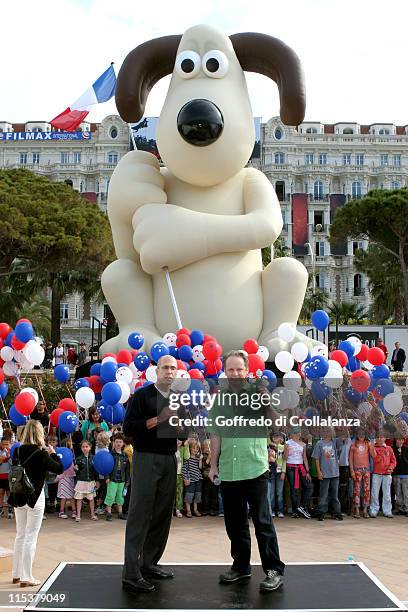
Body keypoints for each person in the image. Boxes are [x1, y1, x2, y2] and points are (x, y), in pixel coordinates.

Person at [208, 350, 285, 593]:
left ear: (247, 370)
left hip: (255, 467)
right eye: (230, 369)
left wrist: (266, 401)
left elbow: (276, 425)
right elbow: (216, 434)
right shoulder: (219, 401)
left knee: (262, 521)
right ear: (225, 372)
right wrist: (212, 464)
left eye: (239, 369)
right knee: (235, 523)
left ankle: (273, 570)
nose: (235, 373)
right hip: (229, 470)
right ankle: (241, 566)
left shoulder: (259, 394)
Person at [122, 354, 178, 593]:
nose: (169, 372)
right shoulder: (142, 396)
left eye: (173, 368)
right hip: (146, 458)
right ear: (156, 371)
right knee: (140, 514)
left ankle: (149, 563)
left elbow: (181, 432)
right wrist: (158, 419)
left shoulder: (178, 398)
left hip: (169, 459)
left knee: (163, 514)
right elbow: (128, 429)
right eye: (165, 367)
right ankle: (131, 573)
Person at [8, 420, 63, 587]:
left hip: (18, 495)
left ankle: (16, 574)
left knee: (20, 535)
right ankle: (27, 576)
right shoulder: (41, 453)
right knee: (30, 537)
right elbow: (58, 468)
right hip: (35, 497)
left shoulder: (17, 450)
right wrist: (53, 453)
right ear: (39, 434)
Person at [312, 427, 343, 521]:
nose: (326, 433)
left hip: (335, 473)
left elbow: (344, 437)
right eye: (325, 431)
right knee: (323, 495)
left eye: (329, 431)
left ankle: (336, 512)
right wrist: (319, 472)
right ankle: (321, 512)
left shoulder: (335, 442)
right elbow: (316, 459)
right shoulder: (319, 443)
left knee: (335, 495)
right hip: (324, 473)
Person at [284, 428, 313, 519]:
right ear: (292, 434)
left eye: (298, 432)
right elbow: (284, 458)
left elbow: (304, 458)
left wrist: (307, 471)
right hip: (291, 467)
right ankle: (295, 510)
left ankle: (302, 506)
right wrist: (287, 451)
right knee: (294, 489)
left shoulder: (303, 444)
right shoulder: (287, 443)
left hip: (300, 466)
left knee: (309, 486)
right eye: (295, 432)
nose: (297, 434)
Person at [349, 428, 376, 519]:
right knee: (357, 490)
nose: (361, 435)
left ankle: (365, 509)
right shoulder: (353, 445)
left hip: (366, 470)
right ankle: (357, 509)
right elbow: (350, 459)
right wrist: (352, 471)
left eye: (363, 434)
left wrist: (372, 447)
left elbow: (374, 455)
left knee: (366, 490)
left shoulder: (367, 444)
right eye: (359, 434)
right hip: (357, 470)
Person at [369, 431, 397, 518]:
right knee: (374, 493)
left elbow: (394, 461)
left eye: (382, 437)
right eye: (378, 437)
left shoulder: (389, 448)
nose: (380, 438)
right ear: (375, 439)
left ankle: (387, 511)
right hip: (377, 473)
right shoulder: (373, 448)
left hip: (387, 474)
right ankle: (373, 510)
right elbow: (376, 459)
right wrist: (375, 448)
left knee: (387, 493)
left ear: (385, 438)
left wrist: (391, 468)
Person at [104, 433, 130, 521]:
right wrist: (107, 477)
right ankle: (109, 513)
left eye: (120, 442)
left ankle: (120, 513)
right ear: (114, 443)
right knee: (110, 495)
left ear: (123, 443)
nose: (119, 444)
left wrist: (127, 480)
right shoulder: (110, 454)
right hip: (112, 479)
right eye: (117, 442)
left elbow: (127, 470)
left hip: (121, 480)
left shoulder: (125, 455)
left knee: (120, 496)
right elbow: (106, 467)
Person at [73, 439, 99, 522]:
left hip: (91, 481)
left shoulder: (94, 458)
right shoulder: (78, 459)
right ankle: (78, 515)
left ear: (90, 447)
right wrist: (76, 469)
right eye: (83, 447)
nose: (85, 448)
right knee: (79, 499)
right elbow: (77, 472)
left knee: (91, 499)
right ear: (81, 448)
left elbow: (96, 471)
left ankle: (92, 514)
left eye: (86, 446)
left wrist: (97, 481)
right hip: (81, 481)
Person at [182, 439, 203, 517]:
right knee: (189, 495)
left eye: (197, 448)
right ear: (190, 448)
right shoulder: (187, 458)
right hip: (190, 480)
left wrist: (200, 459)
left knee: (197, 495)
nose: (195, 450)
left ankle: (195, 509)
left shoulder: (198, 458)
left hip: (198, 479)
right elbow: (184, 469)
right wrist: (186, 478)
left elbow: (200, 467)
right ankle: (188, 510)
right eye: (193, 448)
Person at [268, 432, 286, 518]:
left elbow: (285, 460)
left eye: (279, 437)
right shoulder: (268, 447)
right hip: (271, 472)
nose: (277, 439)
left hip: (280, 473)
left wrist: (283, 471)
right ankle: (272, 510)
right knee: (271, 493)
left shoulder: (283, 447)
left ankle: (280, 510)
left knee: (279, 492)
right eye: (275, 437)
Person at [200, 438, 218, 517]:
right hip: (206, 478)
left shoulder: (216, 455)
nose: (208, 449)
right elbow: (206, 464)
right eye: (206, 447)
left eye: (210, 447)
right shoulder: (203, 456)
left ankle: (213, 509)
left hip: (215, 478)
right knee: (206, 494)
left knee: (214, 494)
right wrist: (209, 456)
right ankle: (205, 509)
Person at [392, 437, 408, 516]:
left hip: (405, 474)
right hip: (396, 474)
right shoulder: (392, 449)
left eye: (401, 440)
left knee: (406, 493)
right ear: (395, 440)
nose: (400, 441)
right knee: (398, 493)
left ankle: (407, 508)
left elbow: (406, 462)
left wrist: (401, 454)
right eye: (398, 439)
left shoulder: (406, 449)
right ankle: (401, 508)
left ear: (403, 440)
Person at [0, 437, 13, 518]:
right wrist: (1, 459)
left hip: (8, 476)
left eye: (7, 444)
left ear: (10, 444)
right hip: (0, 476)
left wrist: (8, 457)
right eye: (3, 444)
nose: (5, 446)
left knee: (9, 493)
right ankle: (1, 509)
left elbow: (13, 464)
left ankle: (10, 510)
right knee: (0, 493)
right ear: (1, 444)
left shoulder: (11, 453)